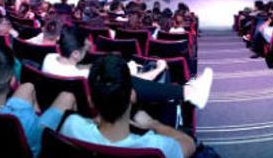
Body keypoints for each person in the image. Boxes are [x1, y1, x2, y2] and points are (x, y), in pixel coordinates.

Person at [59, 54, 196, 158]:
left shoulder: (70, 127)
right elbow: (189, 143)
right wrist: (153, 124)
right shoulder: (155, 148)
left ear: (91, 101)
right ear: (132, 96)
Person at [41, 27, 213, 111]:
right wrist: (159, 69)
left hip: (62, 112)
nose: (91, 49)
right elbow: (131, 81)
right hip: (99, 112)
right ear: (76, 54)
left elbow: (77, 68)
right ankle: (189, 92)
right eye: (87, 49)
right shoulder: (85, 77)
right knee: (130, 80)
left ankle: (189, 91)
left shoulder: (48, 60)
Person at [0, 45, 76, 158]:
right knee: (67, 96)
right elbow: (36, 149)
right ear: (13, 80)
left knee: (28, 86)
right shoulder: (23, 118)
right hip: (26, 152)